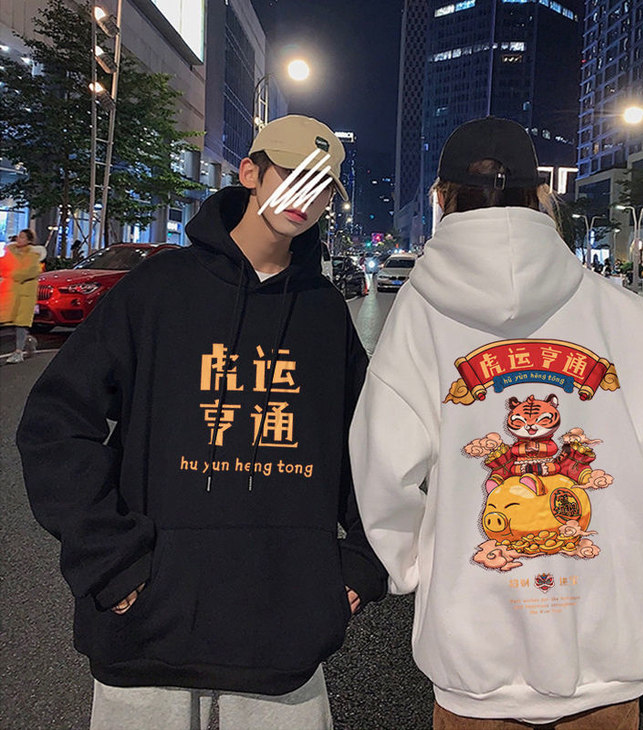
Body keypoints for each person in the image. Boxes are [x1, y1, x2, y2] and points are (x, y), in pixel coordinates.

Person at [348, 117, 643, 730]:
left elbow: (380, 465)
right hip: (606, 656)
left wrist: (416, 563)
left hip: (475, 659)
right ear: (541, 196)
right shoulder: (617, 308)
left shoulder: (419, 315)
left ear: (441, 198)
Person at [17, 115, 387, 730]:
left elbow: (368, 446)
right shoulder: (158, 289)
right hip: (145, 630)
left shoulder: (323, 311)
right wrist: (107, 558)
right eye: (290, 174)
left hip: (283, 633)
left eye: (321, 184)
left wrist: (364, 562)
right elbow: (55, 420)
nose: (306, 195)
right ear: (250, 173)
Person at [0, 228, 41, 363]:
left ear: (29, 240)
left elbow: (30, 272)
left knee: (21, 323)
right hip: (11, 292)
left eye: (22, 237)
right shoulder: (10, 252)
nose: (19, 239)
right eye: (19, 236)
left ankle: (18, 352)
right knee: (9, 323)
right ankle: (29, 341)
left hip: (26, 295)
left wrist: (12, 273)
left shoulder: (33, 255)